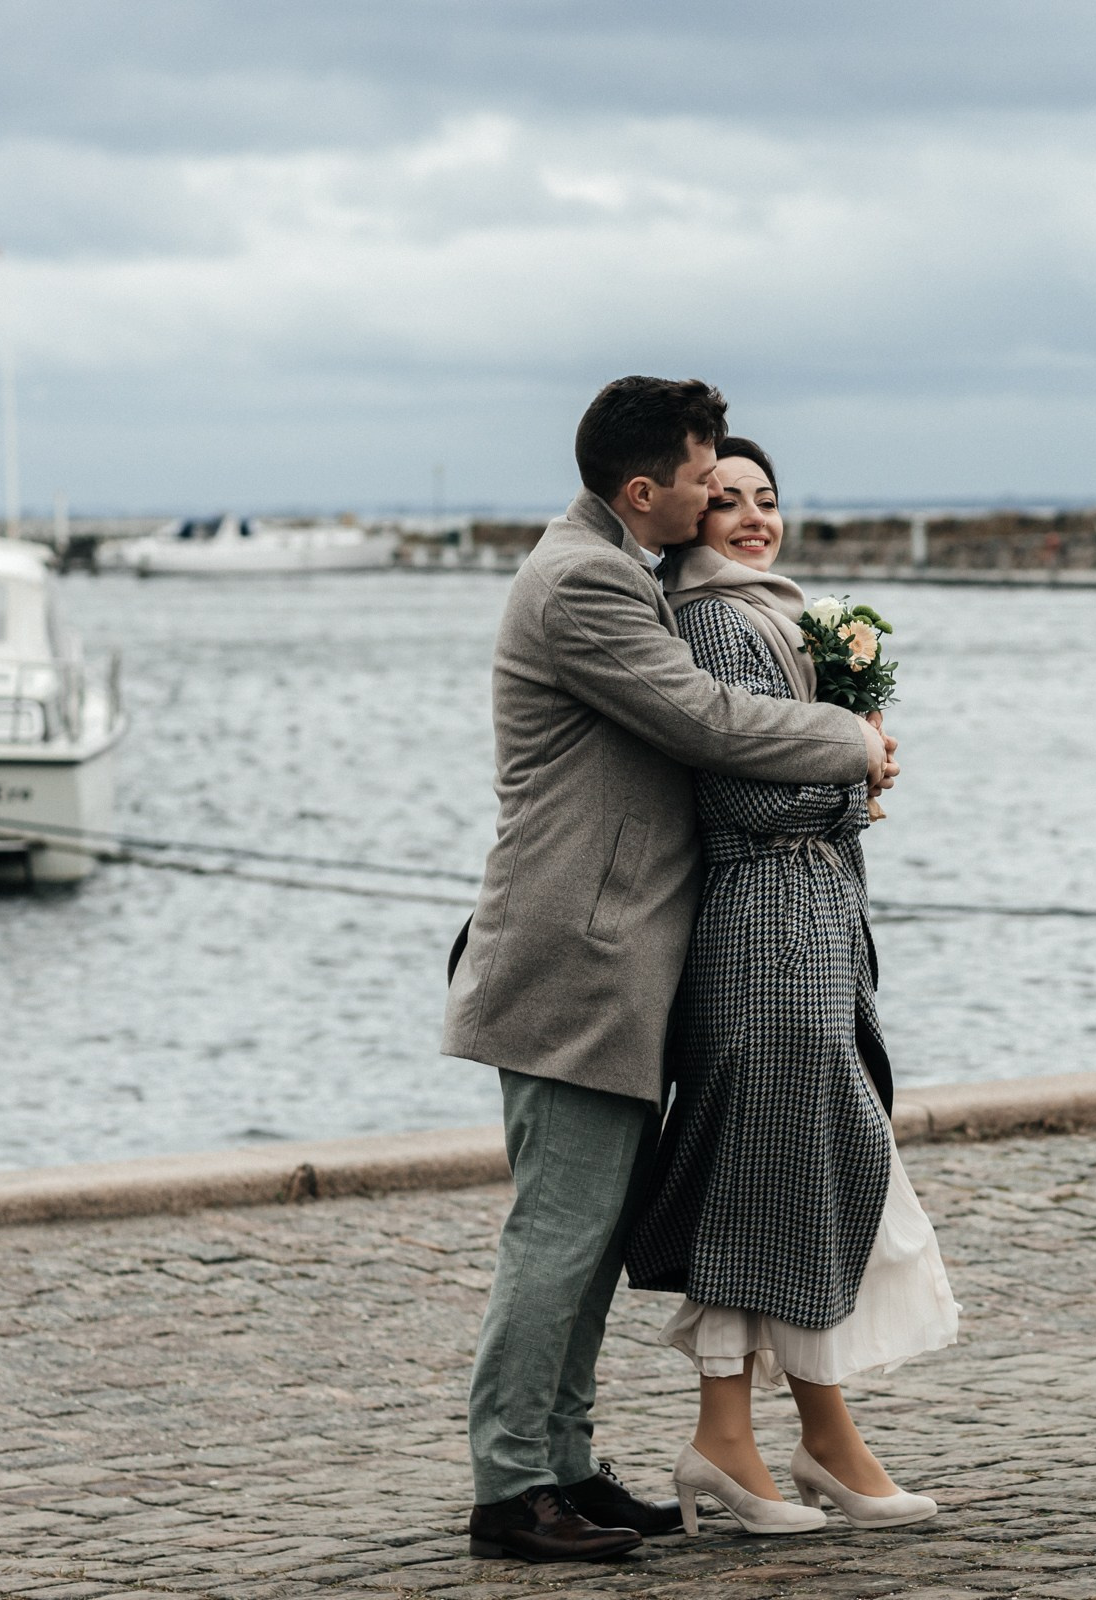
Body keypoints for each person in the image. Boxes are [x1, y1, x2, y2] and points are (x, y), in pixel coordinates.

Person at [444, 381, 898, 1565]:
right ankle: (509, 1490)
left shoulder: (613, 566)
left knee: (591, 1234)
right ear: (644, 490)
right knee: (559, 1232)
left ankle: (566, 1466)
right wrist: (852, 739)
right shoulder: (584, 581)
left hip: (614, 963)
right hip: (571, 962)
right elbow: (702, 716)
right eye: (704, 475)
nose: (719, 494)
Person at [623, 437, 958, 1536]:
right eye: (724, 502)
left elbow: (792, 774)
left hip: (800, 923)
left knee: (783, 1173)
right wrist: (858, 772)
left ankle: (800, 1435)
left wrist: (849, 758)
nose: (753, 518)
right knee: (775, 1172)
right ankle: (769, 1438)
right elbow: (752, 805)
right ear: (687, 519)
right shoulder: (718, 618)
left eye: (767, 499)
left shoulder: (767, 607)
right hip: (767, 926)